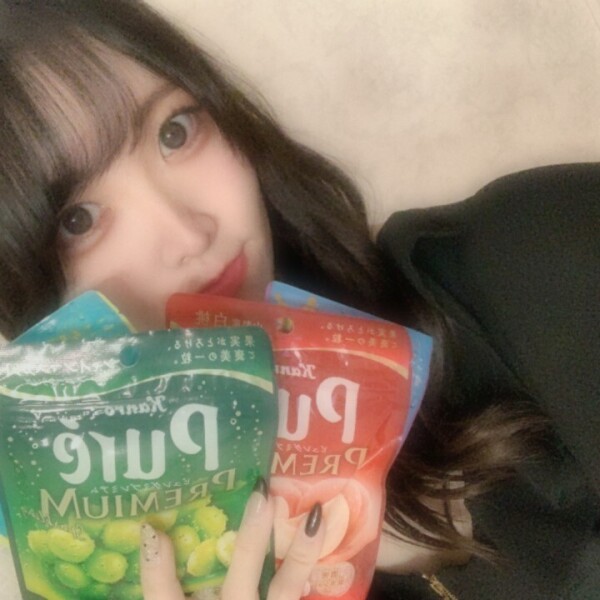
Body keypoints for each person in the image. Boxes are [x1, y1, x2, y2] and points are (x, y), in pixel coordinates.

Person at [0, 1, 597, 599]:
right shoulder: (95, 570)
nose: (190, 234)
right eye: (78, 220)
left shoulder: (527, 262)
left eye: (175, 131)